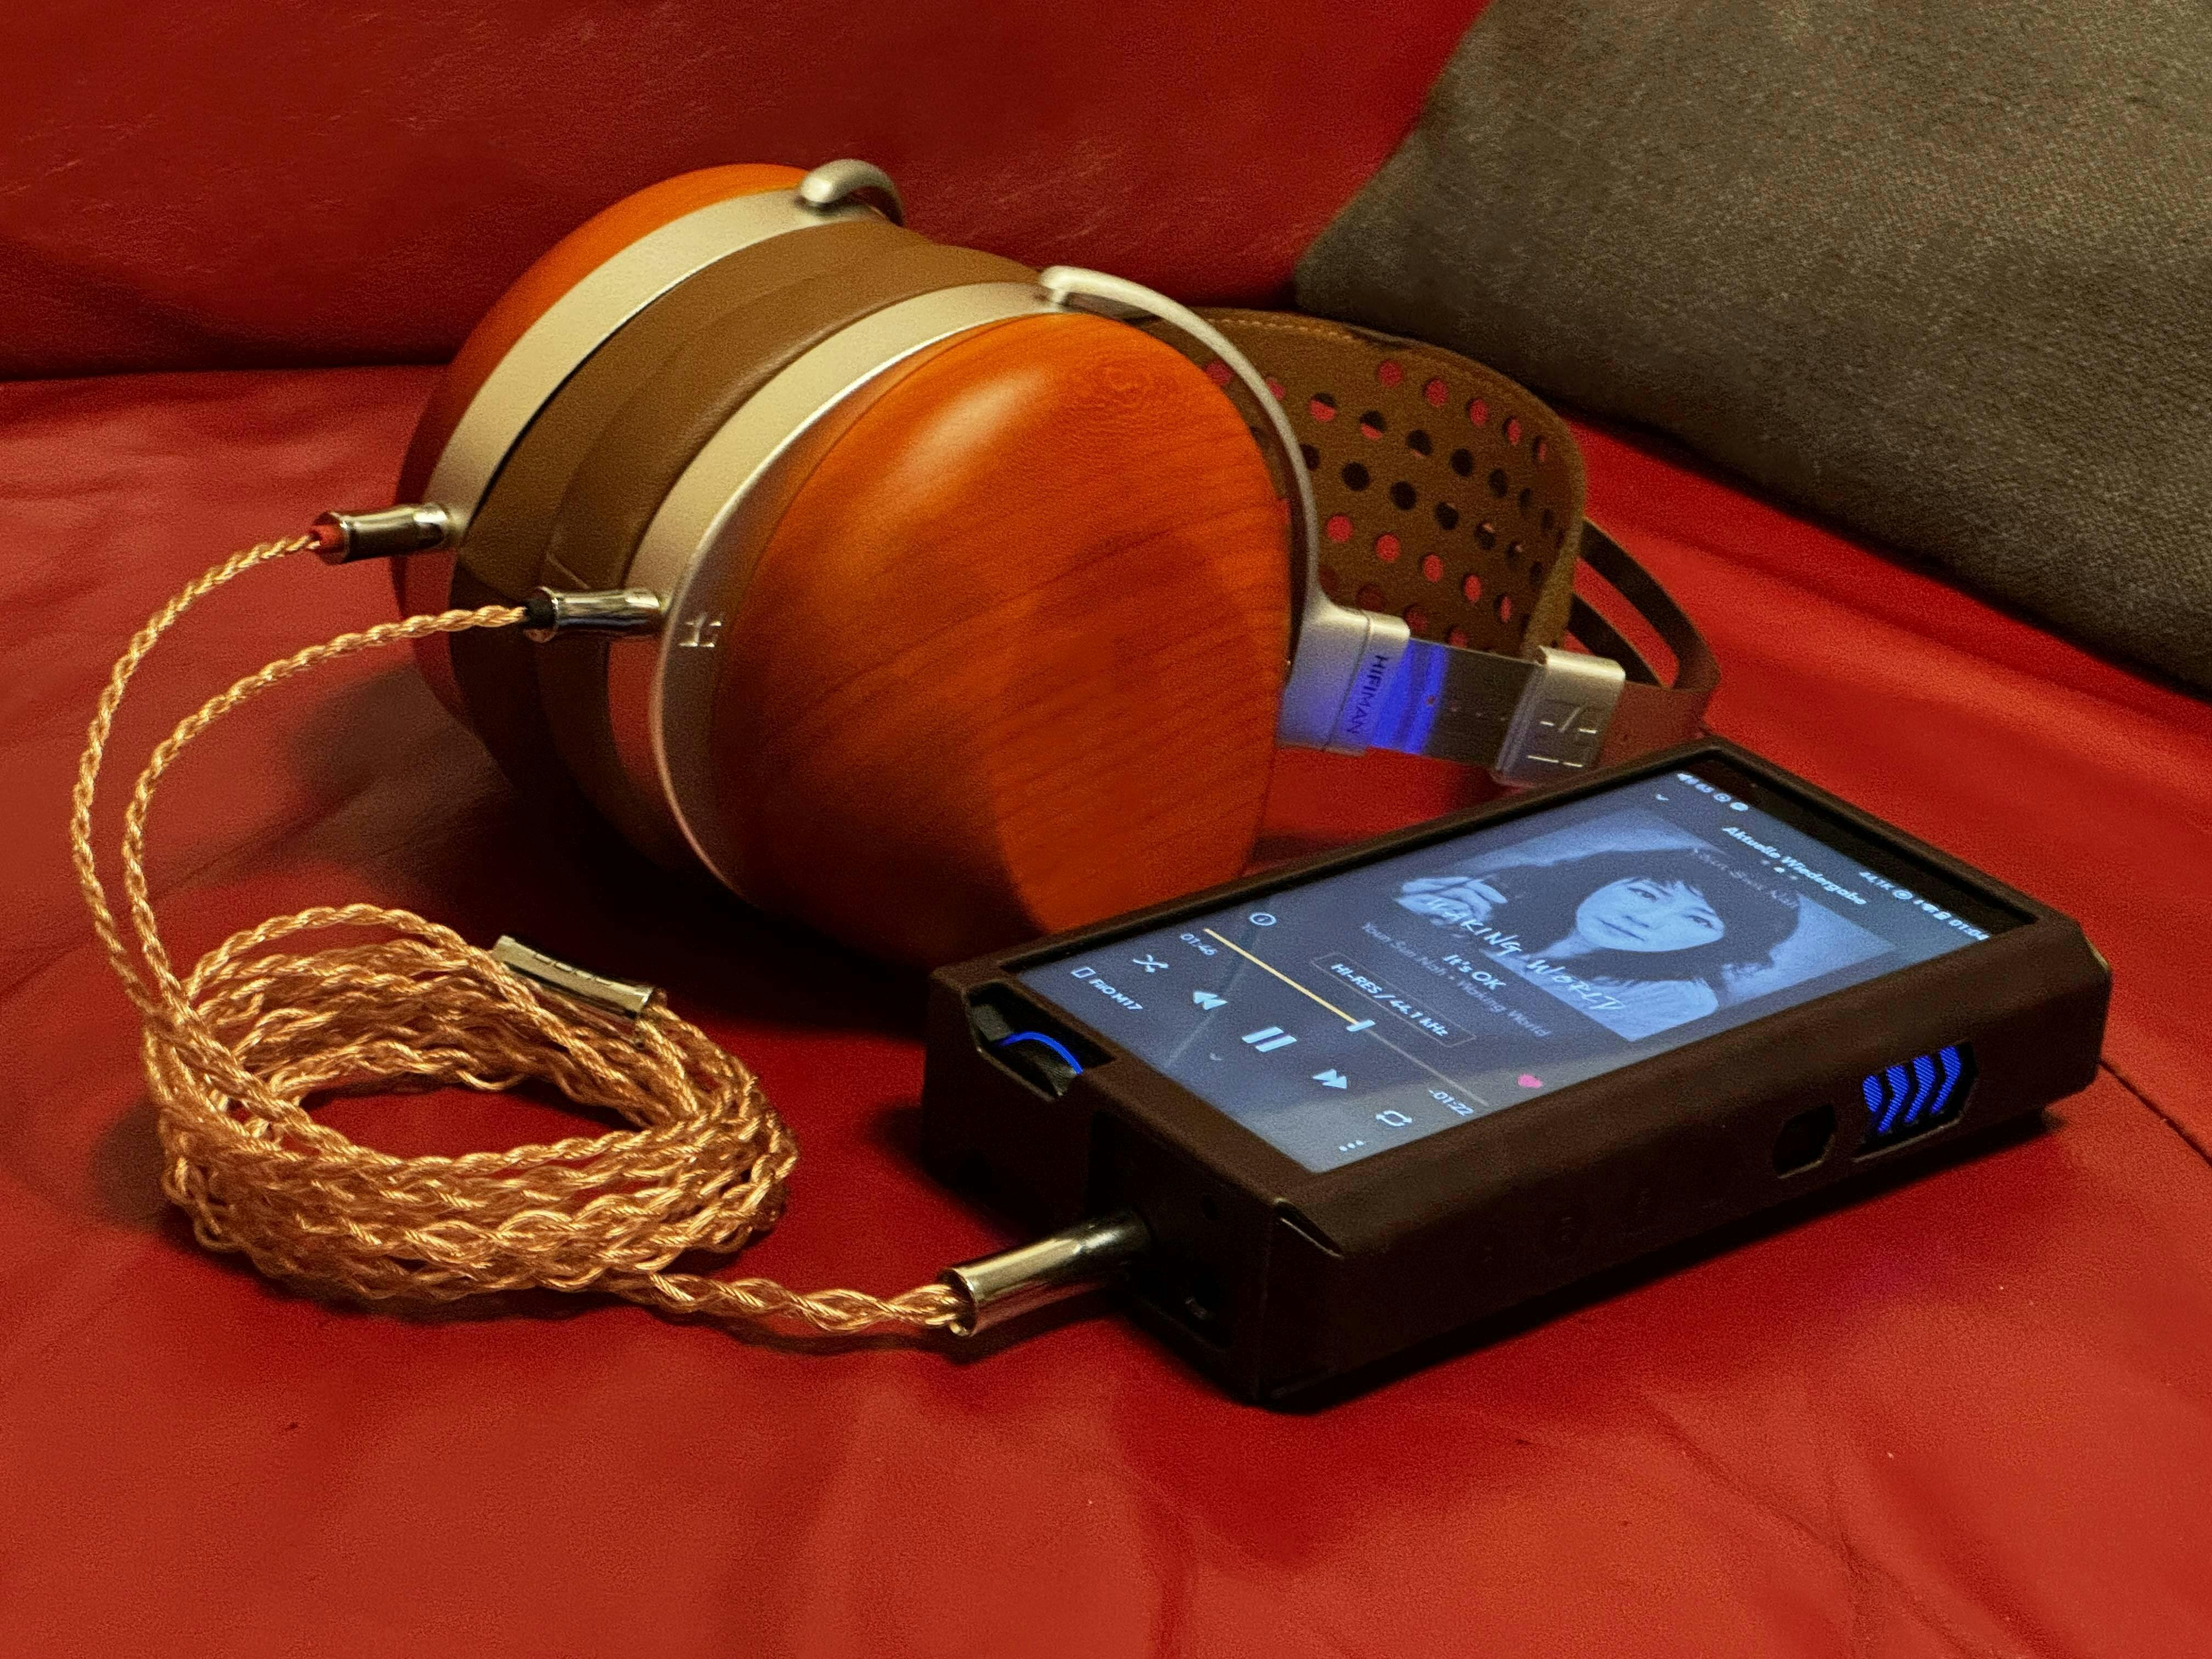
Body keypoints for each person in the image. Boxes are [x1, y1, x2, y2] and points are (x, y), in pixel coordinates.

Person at [1395, 846, 1801, 1040]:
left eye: (1699, 919)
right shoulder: (1504, 894)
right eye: (1645, 893)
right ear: (1606, 880)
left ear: (1720, 943)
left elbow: (1524, 1048)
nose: (1644, 919)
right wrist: (1402, 911)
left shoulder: (1677, 1000)